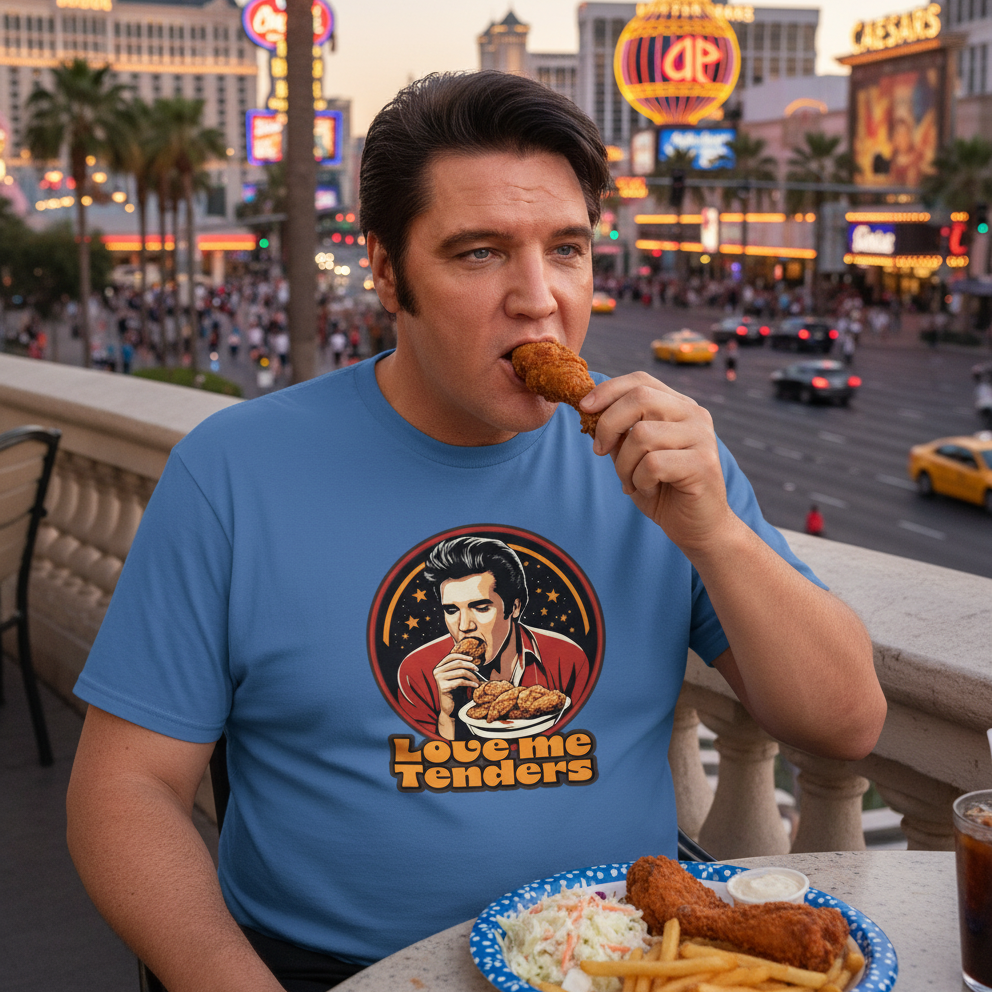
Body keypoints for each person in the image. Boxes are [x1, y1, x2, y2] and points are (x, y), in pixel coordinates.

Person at [66, 71, 886, 992]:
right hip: (330, 969)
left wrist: (717, 535)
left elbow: (846, 723)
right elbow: (124, 790)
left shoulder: (663, 460)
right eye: (480, 252)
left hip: (625, 956)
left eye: (567, 248)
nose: (540, 299)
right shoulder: (232, 473)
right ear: (385, 270)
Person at [396, 535, 594, 740]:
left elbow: (583, 744)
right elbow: (426, 765)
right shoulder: (415, 672)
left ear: (515, 607)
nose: (464, 626)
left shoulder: (568, 658)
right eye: (452, 610)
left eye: (481, 608)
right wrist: (448, 715)